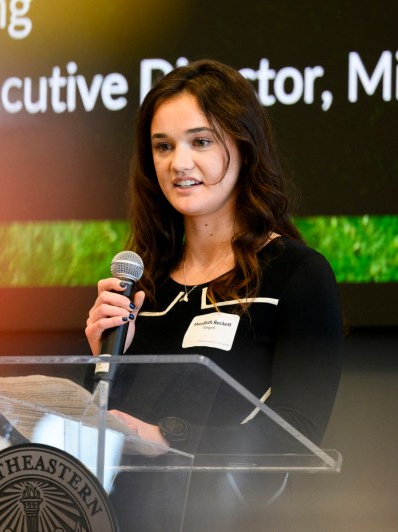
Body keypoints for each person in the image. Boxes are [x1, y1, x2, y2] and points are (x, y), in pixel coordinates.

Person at [84, 59, 343, 530]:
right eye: (163, 146)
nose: (179, 163)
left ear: (245, 147)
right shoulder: (141, 288)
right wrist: (103, 361)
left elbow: (297, 435)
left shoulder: (296, 275)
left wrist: (168, 437)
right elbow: (105, 436)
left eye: (200, 141)